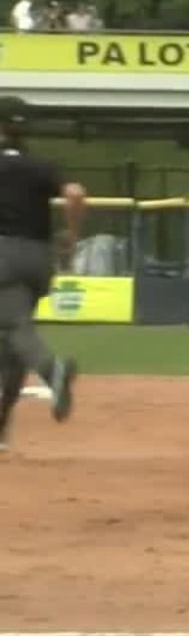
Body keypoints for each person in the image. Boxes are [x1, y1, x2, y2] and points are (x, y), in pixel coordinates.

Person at [0, 98, 82, 451]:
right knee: (13, 344)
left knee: (14, 328)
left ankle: (52, 370)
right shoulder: (41, 166)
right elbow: (75, 194)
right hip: (38, 257)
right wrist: (72, 234)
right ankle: (2, 425)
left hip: (3, 255)